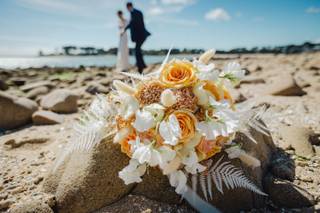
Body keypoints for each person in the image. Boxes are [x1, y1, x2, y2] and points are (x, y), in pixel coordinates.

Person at [124, 2, 151, 73]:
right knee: (137, 50)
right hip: (140, 35)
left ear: (129, 7)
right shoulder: (134, 13)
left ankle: (140, 67)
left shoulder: (136, 13)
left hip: (141, 35)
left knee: (137, 51)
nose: (127, 9)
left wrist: (125, 29)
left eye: (127, 8)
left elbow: (133, 23)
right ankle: (142, 65)